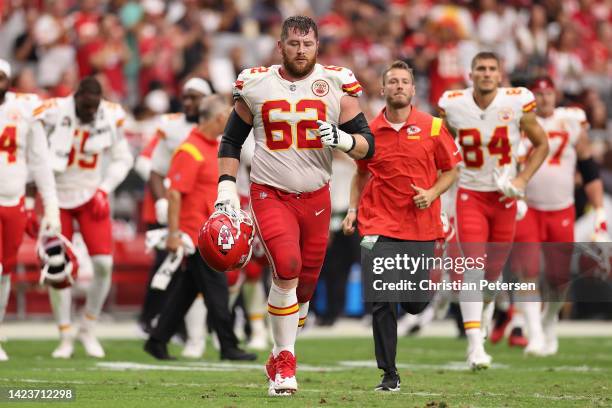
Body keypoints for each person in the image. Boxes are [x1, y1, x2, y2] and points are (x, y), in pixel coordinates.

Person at [214, 16, 374, 396]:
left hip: (318, 197)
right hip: (271, 192)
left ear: (317, 46)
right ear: (280, 46)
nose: (300, 51)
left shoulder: (336, 82)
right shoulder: (256, 82)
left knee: (304, 290)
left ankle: (277, 351)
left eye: (307, 44)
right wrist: (225, 189)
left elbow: (369, 144)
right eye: (294, 44)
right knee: (286, 267)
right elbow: (231, 141)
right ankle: (286, 362)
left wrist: (343, 140)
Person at [343, 60, 460, 391]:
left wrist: (433, 192)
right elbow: (361, 172)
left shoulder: (434, 127)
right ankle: (389, 374)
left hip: (420, 226)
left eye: (404, 81)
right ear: (382, 89)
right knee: (382, 296)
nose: (398, 86)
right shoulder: (368, 131)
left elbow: (451, 170)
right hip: (377, 223)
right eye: (392, 81)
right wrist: (353, 209)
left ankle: (427, 298)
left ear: (412, 89)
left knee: (413, 303)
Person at [438, 51, 548, 369]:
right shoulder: (453, 103)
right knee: (473, 267)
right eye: (480, 69)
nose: (486, 74)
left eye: (491, 69)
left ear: (500, 75)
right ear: (470, 74)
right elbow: (438, 146)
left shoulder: (516, 101)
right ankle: (475, 347)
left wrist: (522, 179)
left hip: (504, 198)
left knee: (491, 277)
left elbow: (542, 144)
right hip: (470, 194)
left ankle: (484, 319)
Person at [143, 95, 256, 362]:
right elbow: (174, 194)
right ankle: (228, 345)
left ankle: (157, 340)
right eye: (228, 115)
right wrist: (173, 234)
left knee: (186, 291)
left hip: (206, 232)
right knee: (217, 291)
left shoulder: (209, 147)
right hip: (197, 236)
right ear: (219, 118)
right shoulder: (190, 150)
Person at [34, 76, 133, 359]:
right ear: (76, 98)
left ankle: (87, 328)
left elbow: (123, 158)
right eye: (85, 107)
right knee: (58, 268)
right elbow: (31, 131)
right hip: (57, 197)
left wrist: (105, 188)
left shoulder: (110, 114)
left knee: (103, 264)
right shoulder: (53, 110)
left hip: (91, 194)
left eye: (94, 108)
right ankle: (65, 334)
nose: (90, 113)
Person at [513, 76, 608, 356]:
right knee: (527, 271)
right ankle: (536, 334)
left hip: (561, 209)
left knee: (558, 279)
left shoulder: (572, 120)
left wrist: (600, 211)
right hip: (528, 208)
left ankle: (549, 321)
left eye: (548, 93)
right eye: (538, 94)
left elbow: (590, 170)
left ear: (555, 95)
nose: (544, 98)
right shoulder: (519, 122)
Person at [135, 78, 212, 359]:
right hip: (180, 206)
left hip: (209, 207)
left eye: (195, 97)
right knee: (171, 267)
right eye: (186, 96)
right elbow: (150, 165)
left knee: (204, 273)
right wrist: (163, 198)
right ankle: (158, 322)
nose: (188, 102)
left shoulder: (218, 126)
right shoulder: (170, 126)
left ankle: (209, 331)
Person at [0, 59, 61, 361]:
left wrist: (51, 207)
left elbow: (40, 161)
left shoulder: (24, 108)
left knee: (4, 272)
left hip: (14, 202)